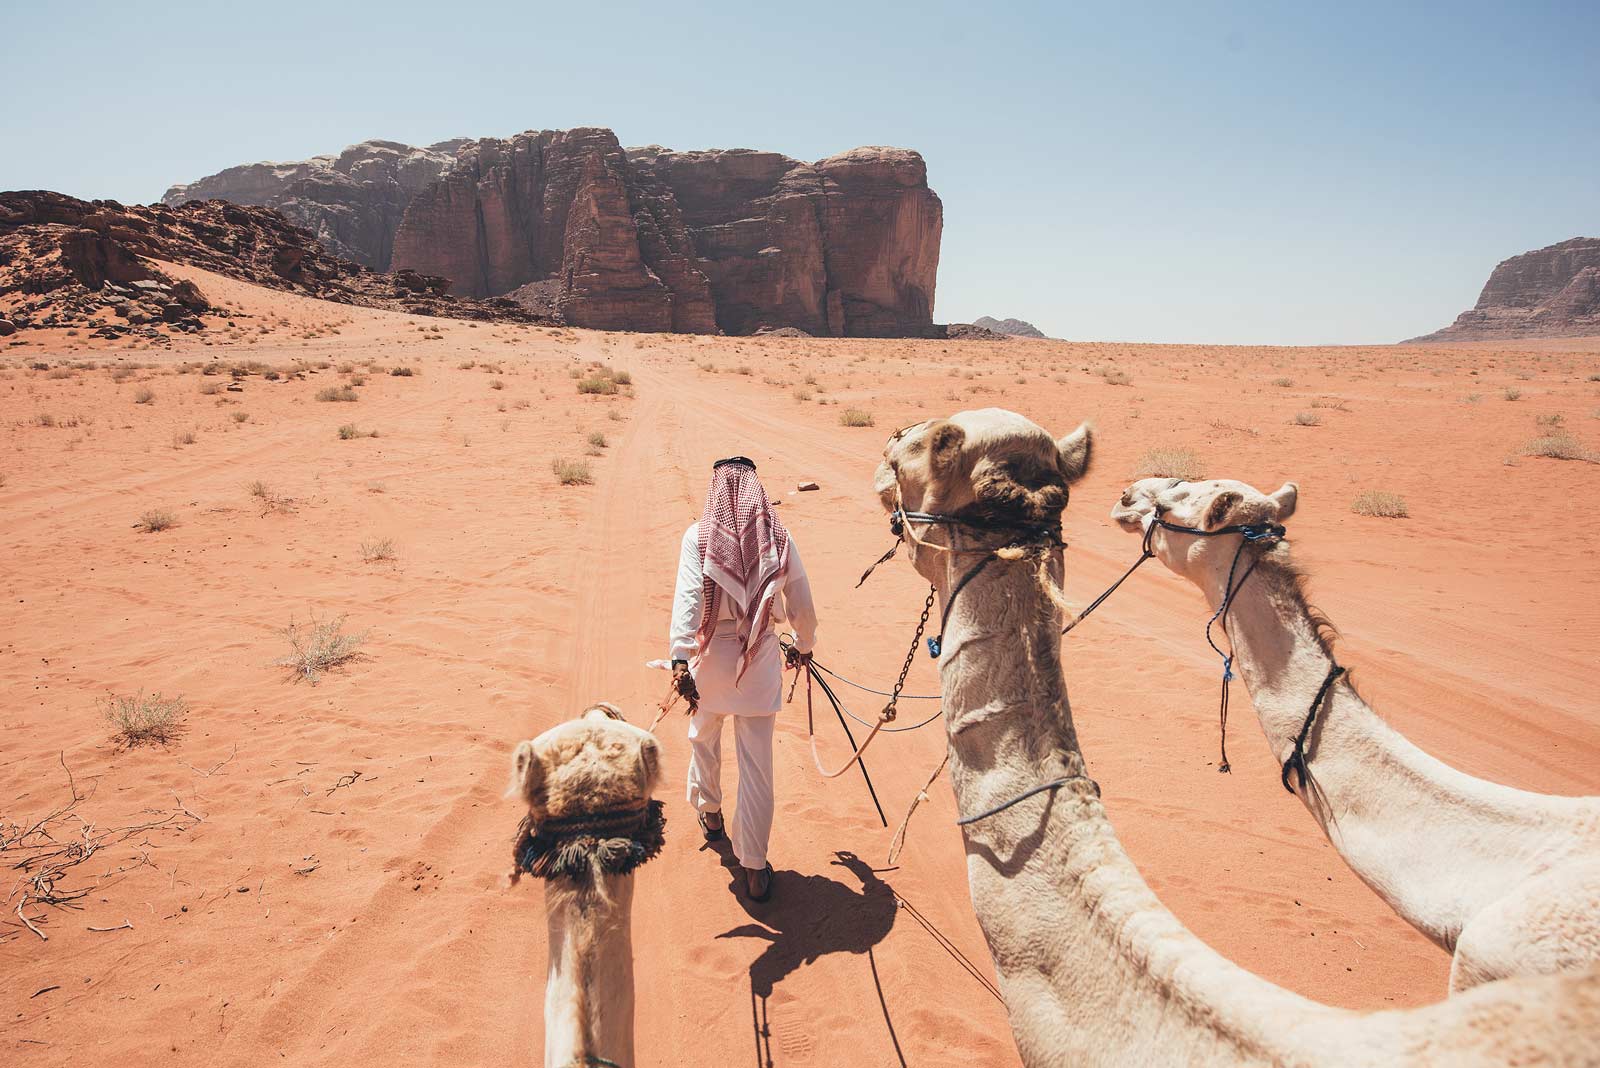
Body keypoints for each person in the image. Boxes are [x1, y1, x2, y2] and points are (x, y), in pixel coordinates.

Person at [668, 456, 818, 902]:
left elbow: (689, 601)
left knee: (703, 734)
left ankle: (710, 814)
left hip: (711, 655)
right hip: (760, 658)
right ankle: (754, 867)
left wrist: (679, 658)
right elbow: (802, 606)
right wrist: (805, 646)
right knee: (756, 766)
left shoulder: (697, 537)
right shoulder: (778, 537)